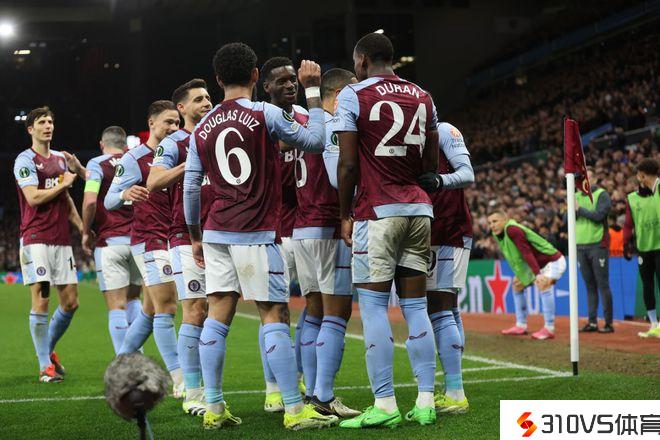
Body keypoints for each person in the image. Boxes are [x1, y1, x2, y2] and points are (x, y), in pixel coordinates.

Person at [183, 42, 338, 430]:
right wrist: (313, 92)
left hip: (215, 231)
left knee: (217, 315)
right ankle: (294, 409)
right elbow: (316, 141)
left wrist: (195, 234)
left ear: (218, 79)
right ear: (255, 75)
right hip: (256, 231)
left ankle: (214, 407)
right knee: (274, 315)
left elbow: (190, 186)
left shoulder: (202, 126)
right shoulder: (265, 113)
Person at [335, 32, 439, 429]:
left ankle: (384, 403)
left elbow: (348, 164)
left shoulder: (353, 94)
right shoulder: (423, 96)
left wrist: (345, 214)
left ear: (362, 61)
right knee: (416, 308)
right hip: (419, 209)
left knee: (374, 307)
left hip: (377, 211)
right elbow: (431, 162)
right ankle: (426, 402)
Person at [288, 67, 361, 417]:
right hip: (329, 227)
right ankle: (324, 396)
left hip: (302, 229)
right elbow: (337, 177)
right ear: (341, 93)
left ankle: (313, 394)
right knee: (337, 313)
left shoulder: (306, 129)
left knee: (314, 312)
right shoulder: (334, 125)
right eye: (354, 91)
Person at [104, 100, 184, 396]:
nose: (173, 127)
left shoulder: (182, 151)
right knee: (167, 307)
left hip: (177, 236)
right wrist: (125, 192)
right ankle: (181, 381)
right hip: (150, 239)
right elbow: (109, 201)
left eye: (177, 123)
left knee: (150, 311)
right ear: (151, 123)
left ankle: (119, 368)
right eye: (168, 122)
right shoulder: (134, 158)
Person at [147, 79, 213, 416]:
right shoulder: (174, 142)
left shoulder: (218, 133)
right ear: (182, 108)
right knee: (195, 311)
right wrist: (190, 164)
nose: (206, 102)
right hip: (185, 237)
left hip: (222, 233)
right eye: (198, 99)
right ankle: (192, 392)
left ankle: (212, 391)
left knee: (217, 313)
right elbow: (153, 181)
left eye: (208, 97)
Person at [14, 106, 81, 383]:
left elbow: (66, 201)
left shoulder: (61, 160)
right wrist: (64, 184)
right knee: (42, 300)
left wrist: (83, 229)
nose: (48, 126)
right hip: (35, 238)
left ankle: (47, 350)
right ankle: (45, 367)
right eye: (42, 122)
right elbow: (33, 198)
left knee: (71, 303)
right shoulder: (25, 160)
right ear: (31, 129)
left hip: (61, 240)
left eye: (50, 121)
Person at [259, 57, 307, 411]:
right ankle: (273, 388)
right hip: (273, 231)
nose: (290, 85)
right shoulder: (259, 120)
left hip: (308, 227)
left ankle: (300, 376)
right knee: (276, 312)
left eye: (293, 79)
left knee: (317, 307)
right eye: (282, 81)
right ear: (266, 87)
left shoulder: (306, 117)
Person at [418, 122, 474, 414]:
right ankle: (453, 387)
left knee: (440, 306)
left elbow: (467, 174)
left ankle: (455, 392)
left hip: (450, 229)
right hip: (430, 231)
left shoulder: (444, 130)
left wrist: (439, 181)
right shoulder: (409, 134)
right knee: (447, 308)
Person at [82, 126, 143, 354]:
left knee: (116, 306)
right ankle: (137, 357)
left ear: (102, 144)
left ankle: (123, 361)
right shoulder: (134, 161)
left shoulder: (96, 164)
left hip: (110, 243)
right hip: (137, 241)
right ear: (125, 145)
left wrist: (86, 231)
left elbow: (90, 201)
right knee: (134, 300)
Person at [487, 210, 566, 340]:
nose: (492, 225)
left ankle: (549, 328)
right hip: (539, 265)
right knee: (517, 285)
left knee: (543, 284)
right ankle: (521, 325)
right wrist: (522, 275)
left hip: (552, 261)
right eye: (490, 223)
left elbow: (526, 252)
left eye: (495, 221)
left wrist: (537, 274)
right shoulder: (498, 234)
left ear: (505, 219)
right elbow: (515, 257)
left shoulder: (512, 229)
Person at [624, 158, 660, 338]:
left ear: (642, 175)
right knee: (647, 285)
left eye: (639, 174)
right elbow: (628, 224)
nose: (637, 177)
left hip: (659, 246)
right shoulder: (632, 198)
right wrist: (626, 243)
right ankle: (654, 324)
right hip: (644, 248)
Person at [575, 168, 614, 333]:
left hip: (598, 244)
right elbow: (565, 219)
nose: (583, 180)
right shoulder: (575, 195)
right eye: (581, 177)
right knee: (589, 286)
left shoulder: (601, 195)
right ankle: (592, 322)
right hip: (580, 246)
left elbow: (599, 216)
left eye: (587, 177)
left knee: (602, 284)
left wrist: (579, 210)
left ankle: (608, 323)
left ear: (595, 179)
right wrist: (572, 210)